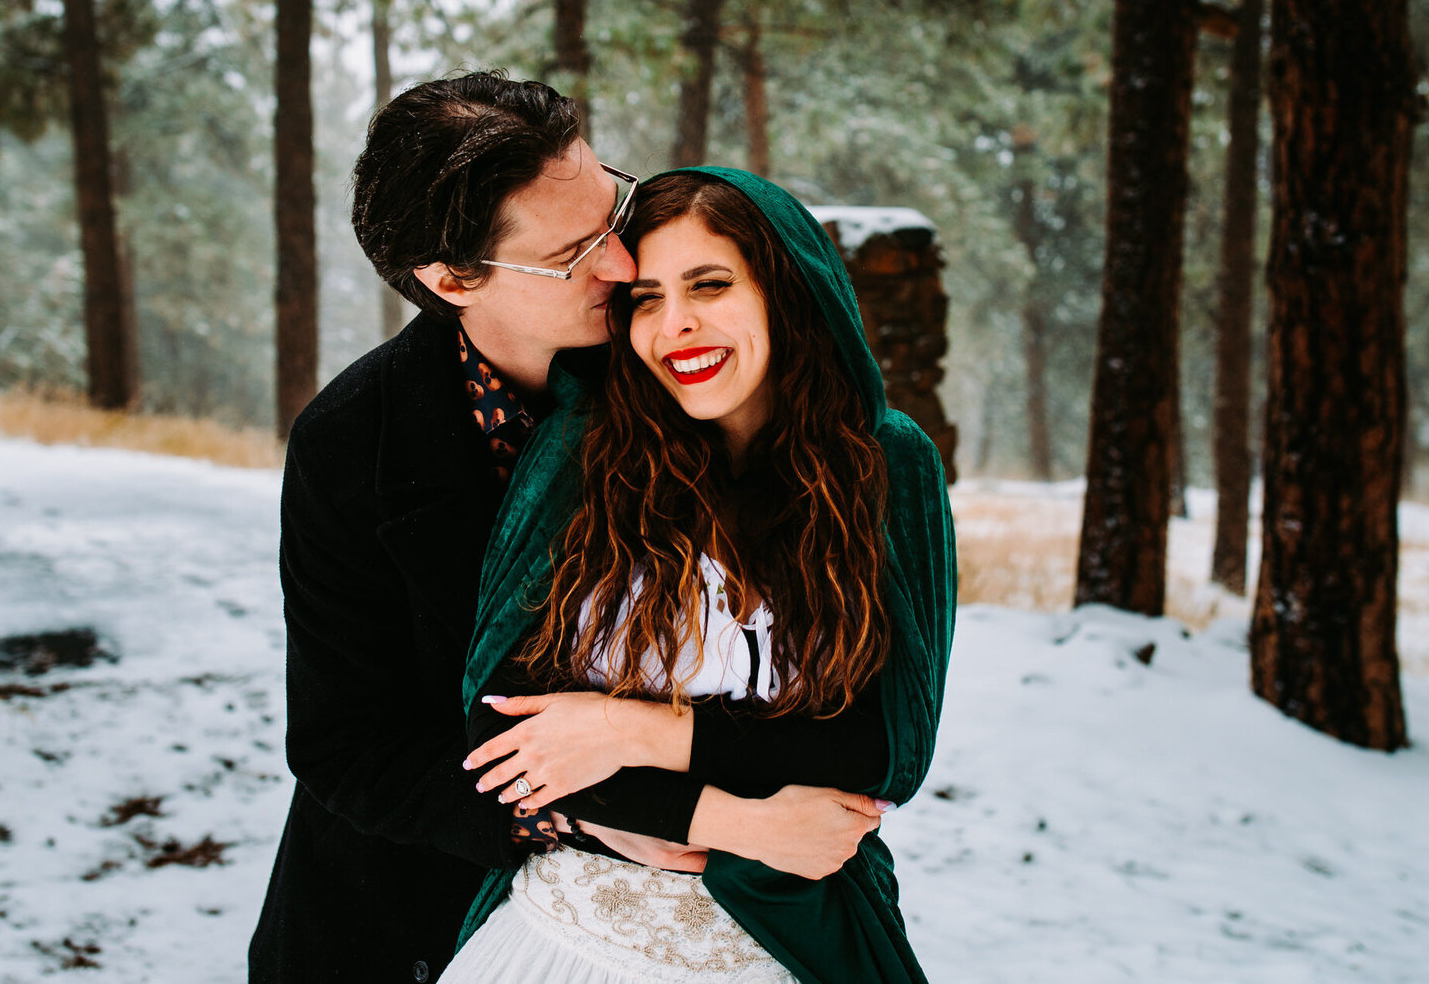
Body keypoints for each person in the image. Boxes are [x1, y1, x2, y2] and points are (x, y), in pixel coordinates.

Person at [248, 74, 895, 984]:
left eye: (613, 209)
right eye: (572, 251)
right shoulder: (353, 444)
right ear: (451, 279)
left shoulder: (678, 371)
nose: (623, 266)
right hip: (412, 915)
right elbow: (348, 744)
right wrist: (600, 812)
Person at [445, 167, 957, 984]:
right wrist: (733, 819)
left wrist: (624, 732)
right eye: (645, 299)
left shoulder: (886, 463)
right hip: (564, 937)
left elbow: (880, 748)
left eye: (710, 285)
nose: (675, 326)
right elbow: (503, 736)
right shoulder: (585, 452)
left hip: (784, 945)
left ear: (786, 291)